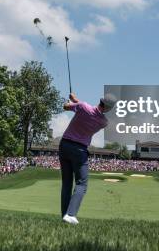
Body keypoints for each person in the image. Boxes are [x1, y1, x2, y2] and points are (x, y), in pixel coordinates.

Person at [59, 92, 115, 225]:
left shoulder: (82, 106)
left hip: (64, 145)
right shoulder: (103, 122)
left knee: (67, 183)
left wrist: (72, 102)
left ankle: (64, 215)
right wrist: (76, 102)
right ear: (108, 108)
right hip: (80, 150)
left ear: (100, 100)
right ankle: (71, 214)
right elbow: (90, 112)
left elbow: (66, 107)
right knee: (81, 184)